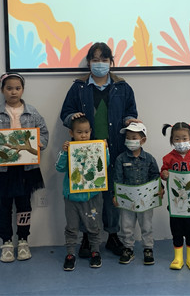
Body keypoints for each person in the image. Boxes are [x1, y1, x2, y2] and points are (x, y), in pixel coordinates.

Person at [60, 42, 139, 257]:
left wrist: (130, 120)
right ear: (89, 63)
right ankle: (88, 236)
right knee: (88, 196)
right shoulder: (79, 87)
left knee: (111, 194)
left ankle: (112, 235)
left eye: (104, 60)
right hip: (86, 153)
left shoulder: (123, 87)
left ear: (111, 62)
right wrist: (72, 117)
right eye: (95, 60)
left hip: (114, 150)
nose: (100, 64)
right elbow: (65, 113)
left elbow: (131, 112)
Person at [0, 73, 48, 263]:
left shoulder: (32, 113)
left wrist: (40, 143)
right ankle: (7, 243)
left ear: (22, 90)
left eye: (17, 88)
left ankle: (23, 240)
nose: (13, 92)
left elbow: (43, 133)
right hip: (3, 170)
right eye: (9, 88)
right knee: (4, 206)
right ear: (2, 90)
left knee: (24, 205)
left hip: (26, 168)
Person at [56, 116, 109, 271]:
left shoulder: (96, 147)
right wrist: (64, 153)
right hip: (72, 197)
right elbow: (59, 168)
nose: (84, 135)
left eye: (86, 132)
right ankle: (70, 254)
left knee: (94, 226)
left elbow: (104, 165)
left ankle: (95, 252)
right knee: (71, 227)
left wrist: (104, 149)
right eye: (79, 132)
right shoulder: (69, 149)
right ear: (71, 133)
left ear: (91, 131)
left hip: (92, 196)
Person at [160, 122, 190, 270]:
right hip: (176, 203)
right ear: (172, 140)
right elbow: (163, 172)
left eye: (184, 138)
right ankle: (178, 258)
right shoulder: (168, 158)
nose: (181, 142)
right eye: (177, 139)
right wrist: (164, 174)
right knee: (176, 230)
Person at [113, 122, 162, 266]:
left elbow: (155, 176)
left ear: (143, 140)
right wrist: (115, 195)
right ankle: (128, 248)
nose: (130, 140)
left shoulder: (149, 159)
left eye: (134, 138)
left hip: (146, 200)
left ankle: (148, 248)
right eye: (127, 137)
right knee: (126, 226)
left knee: (146, 225)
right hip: (127, 200)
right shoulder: (121, 159)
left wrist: (160, 188)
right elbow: (117, 179)